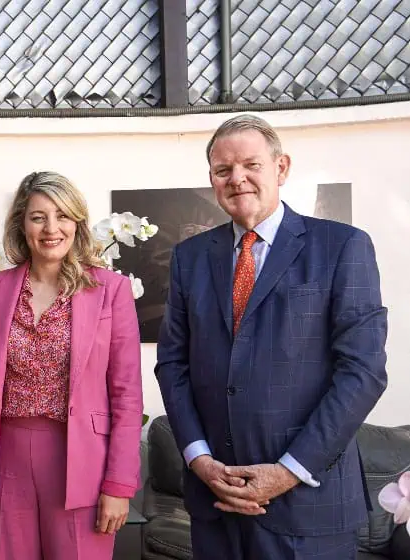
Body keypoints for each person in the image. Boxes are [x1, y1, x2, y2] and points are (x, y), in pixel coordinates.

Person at [155, 114, 388, 560]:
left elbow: (363, 372)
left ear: (281, 168)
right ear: (212, 179)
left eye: (250, 165)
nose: (236, 178)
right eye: (223, 170)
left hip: (307, 505)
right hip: (216, 502)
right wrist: (200, 459)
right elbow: (173, 365)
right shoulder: (190, 258)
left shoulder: (343, 247)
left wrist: (287, 472)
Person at [0, 172, 144, 560]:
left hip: (82, 459)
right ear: (21, 224)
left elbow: (127, 394)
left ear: (77, 223)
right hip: (6, 455)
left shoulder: (111, 289)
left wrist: (119, 484)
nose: (51, 228)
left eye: (62, 215)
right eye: (38, 216)